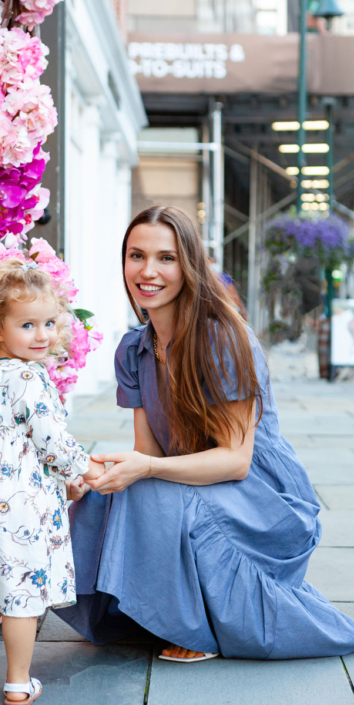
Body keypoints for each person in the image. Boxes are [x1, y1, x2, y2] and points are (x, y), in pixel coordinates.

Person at [56, 206, 354, 662]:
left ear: (189, 265)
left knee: (145, 489)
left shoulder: (223, 340)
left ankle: (197, 626)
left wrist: (148, 469)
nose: (148, 271)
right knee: (106, 493)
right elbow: (148, 452)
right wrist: (95, 472)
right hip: (197, 481)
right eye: (136, 255)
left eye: (166, 258)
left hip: (260, 498)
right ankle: (150, 611)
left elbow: (235, 460)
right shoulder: (133, 349)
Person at [0, 259, 104, 703]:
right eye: (27, 325)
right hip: (19, 507)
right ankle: (18, 683)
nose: (42, 335)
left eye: (49, 323)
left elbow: (20, 442)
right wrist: (85, 469)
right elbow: (50, 438)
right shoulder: (30, 376)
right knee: (22, 597)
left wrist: (61, 479)